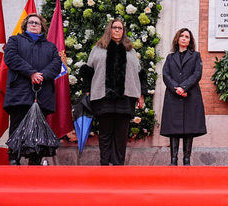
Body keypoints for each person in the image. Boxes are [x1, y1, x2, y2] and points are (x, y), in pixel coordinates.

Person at [80, 19, 146, 165]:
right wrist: (87, 91)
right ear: (109, 29)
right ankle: (105, 165)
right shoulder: (98, 48)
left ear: (123, 31)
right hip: (103, 98)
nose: (117, 30)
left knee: (121, 135)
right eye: (114, 27)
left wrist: (141, 95)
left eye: (120, 28)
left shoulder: (130, 50)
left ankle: (118, 166)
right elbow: (88, 71)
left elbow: (140, 73)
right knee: (105, 134)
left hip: (125, 98)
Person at [3, 13, 62, 165]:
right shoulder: (15, 40)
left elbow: (56, 64)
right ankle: (14, 159)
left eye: (37, 23)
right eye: (31, 22)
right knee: (17, 126)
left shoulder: (50, 47)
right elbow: (11, 58)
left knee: (38, 129)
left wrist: (42, 75)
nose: (34, 25)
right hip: (19, 94)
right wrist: (31, 73)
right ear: (25, 25)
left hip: (42, 95)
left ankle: (35, 161)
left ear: (42, 27)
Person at [160, 28, 206, 165]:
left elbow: (197, 74)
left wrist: (184, 87)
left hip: (190, 96)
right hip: (173, 97)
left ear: (190, 40)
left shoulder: (196, 56)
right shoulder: (170, 57)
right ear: (177, 39)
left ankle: (186, 160)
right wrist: (176, 89)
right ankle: (173, 160)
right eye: (182, 36)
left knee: (188, 128)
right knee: (173, 129)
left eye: (187, 36)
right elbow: (165, 74)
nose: (184, 38)